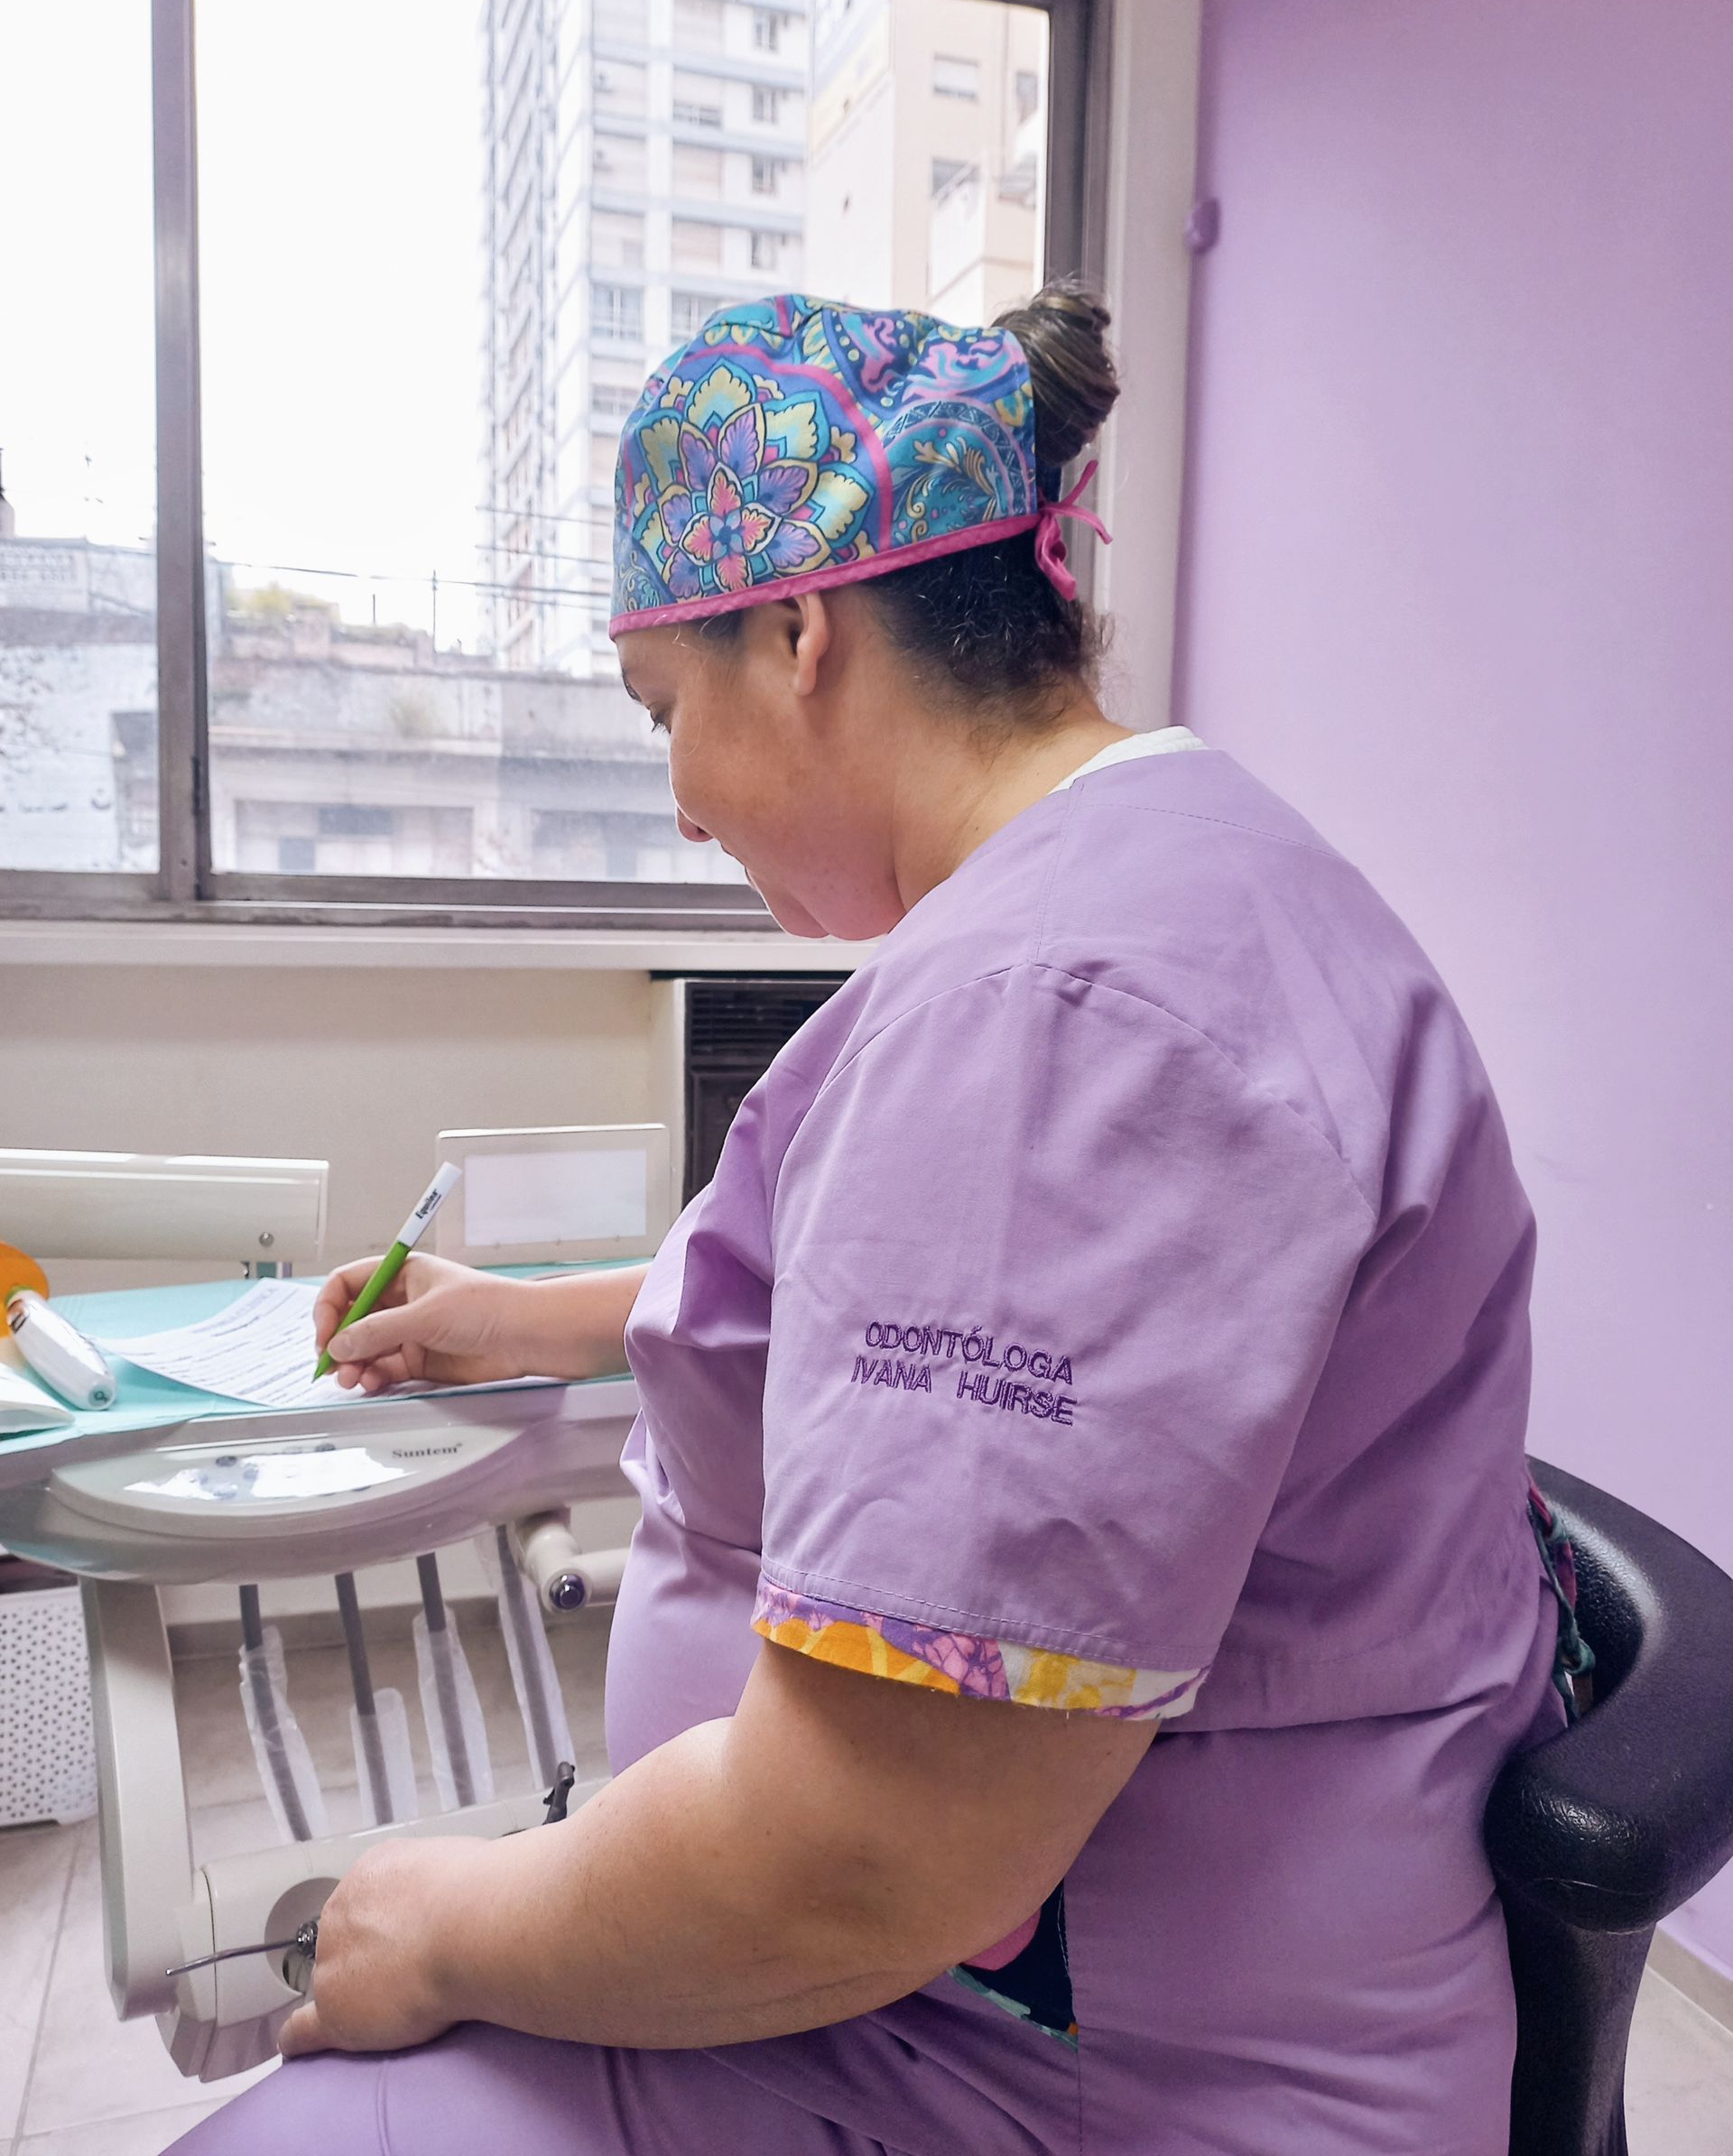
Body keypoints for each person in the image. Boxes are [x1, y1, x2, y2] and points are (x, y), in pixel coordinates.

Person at [176, 286, 1565, 2156]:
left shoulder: (1065, 1016)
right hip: (979, 2005)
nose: (676, 808)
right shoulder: (1159, 888)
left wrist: (448, 1916)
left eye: (666, 709)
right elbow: (916, 1320)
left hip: (1043, 2072)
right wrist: (532, 1314)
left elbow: (868, 1859)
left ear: (800, 632)